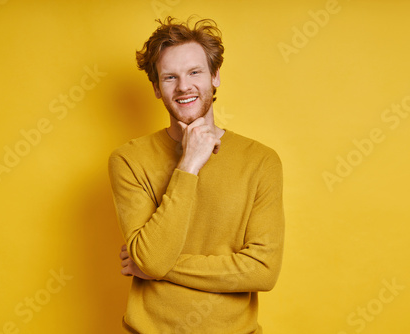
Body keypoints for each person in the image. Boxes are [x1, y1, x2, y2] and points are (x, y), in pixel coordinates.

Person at [108, 16, 285, 334]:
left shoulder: (261, 161)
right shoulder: (128, 160)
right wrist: (189, 163)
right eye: (170, 77)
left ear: (215, 76)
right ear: (156, 89)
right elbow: (151, 260)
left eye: (194, 72)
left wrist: (156, 266)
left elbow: (262, 271)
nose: (184, 86)